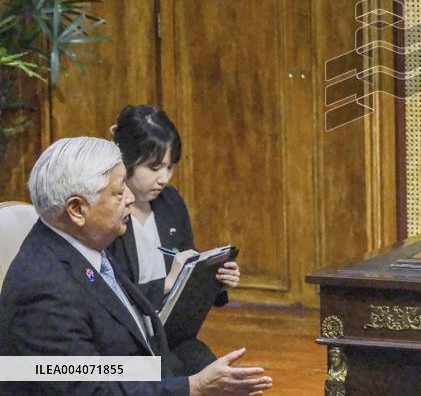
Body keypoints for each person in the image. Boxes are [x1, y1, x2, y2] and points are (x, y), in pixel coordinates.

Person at [0, 136, 271, 395]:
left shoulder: (83, 244)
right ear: (77, 209)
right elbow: (88, 389)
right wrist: (194, 387)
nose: (130, 198)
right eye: (118, 193)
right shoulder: (42, 291)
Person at [106, 105, 238, 374]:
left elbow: (186, 269)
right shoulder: (106, 212)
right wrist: (166, 284)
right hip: (127, 344)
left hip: (170, 335)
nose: (164, 178)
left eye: (169, 167)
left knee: (219, 377)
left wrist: (215, 277)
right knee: (182, 380)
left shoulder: (171, 202)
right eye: (154, 167)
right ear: (126, 159)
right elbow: (105, 294)